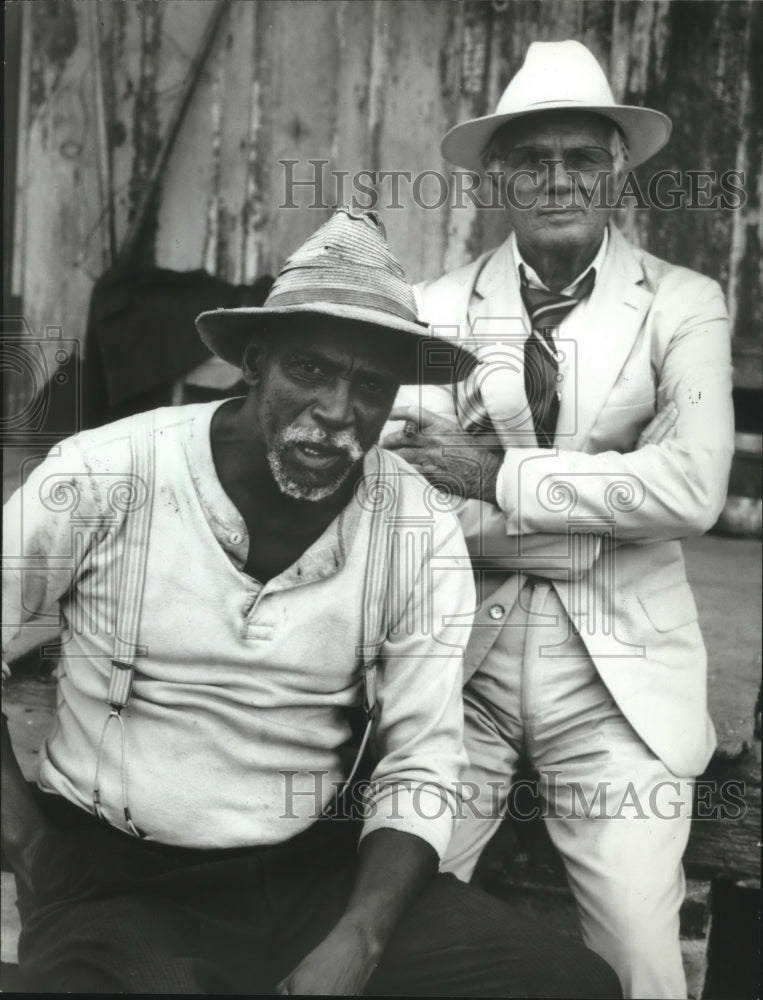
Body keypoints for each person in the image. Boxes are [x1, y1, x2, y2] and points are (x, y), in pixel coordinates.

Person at [1, 207, 619, 997]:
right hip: (120, 881)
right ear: (253, 362)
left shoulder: (414, 526)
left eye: (369, 385)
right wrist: (34, 852)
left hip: (310, 871)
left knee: (563, 983)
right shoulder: (104, 474)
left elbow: (420, 758)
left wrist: (357, 941)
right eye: (309, 370)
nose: (335, 411)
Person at [384, 40, 734, 1000]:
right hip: (459, 671)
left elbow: (694, 489)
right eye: (530, 161)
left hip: (618, 687)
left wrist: (495, 478)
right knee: (388, 921)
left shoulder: (681, 303)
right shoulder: (431, 309)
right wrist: (604, 503)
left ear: (617, 166)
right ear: (496, 174)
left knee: (641, 959)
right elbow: (405, 503)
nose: (555, 180)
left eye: (580, 157)